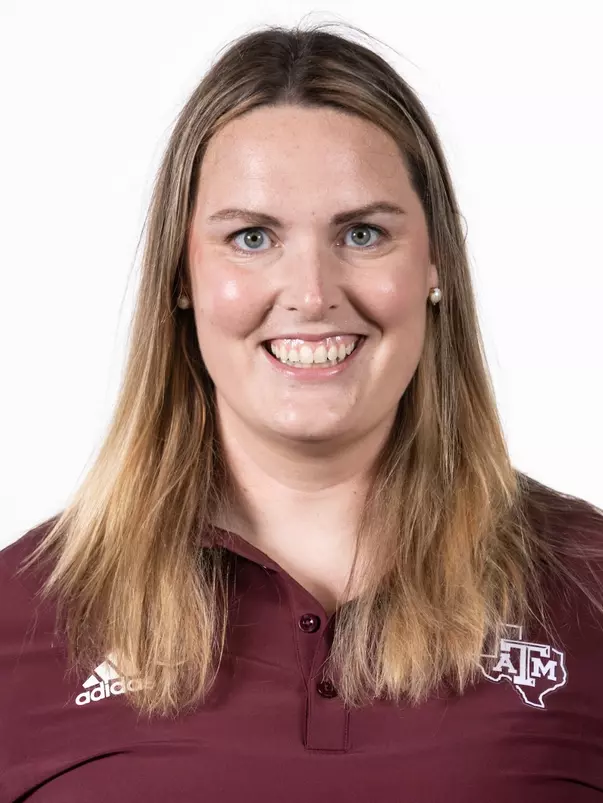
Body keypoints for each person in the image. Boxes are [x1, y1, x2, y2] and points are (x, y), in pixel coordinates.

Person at [1, 21, 602, 803]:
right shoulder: (21, 616)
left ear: (434, 263)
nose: (312, 293)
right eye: (251, 237)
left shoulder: (586, 586)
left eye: (362, 233)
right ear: (181, 274)